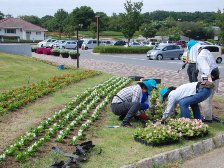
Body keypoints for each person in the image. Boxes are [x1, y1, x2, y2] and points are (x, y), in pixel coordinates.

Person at [196, 45, 220, 122]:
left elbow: (206, 69)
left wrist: (209, 82)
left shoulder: (200, 56)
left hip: (208, 76)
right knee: (210, 98)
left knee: (205, 98)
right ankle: (209, 115)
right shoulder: (207, 52)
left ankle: (207, 118)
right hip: (216, 76)